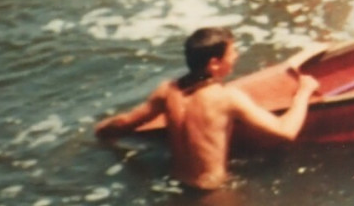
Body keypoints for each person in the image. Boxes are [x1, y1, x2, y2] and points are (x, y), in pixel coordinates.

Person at [95, 26, 318, 191]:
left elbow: (123, 124)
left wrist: (98, 132)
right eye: (232, 53)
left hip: (174, 186)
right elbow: (286, 131)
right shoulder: (226, 98)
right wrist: (304, 92)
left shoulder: (166, 91)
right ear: (214, 63)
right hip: (210, 192)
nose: (237, 56)